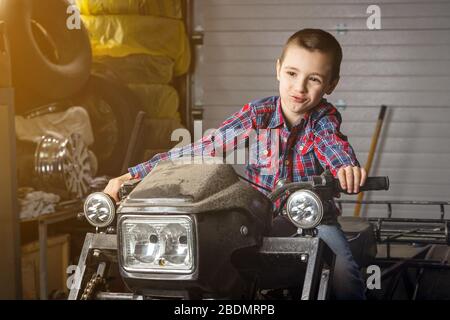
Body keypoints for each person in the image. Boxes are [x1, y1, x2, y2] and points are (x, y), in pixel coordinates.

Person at [104, 29, 367, 299]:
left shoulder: (323, 119)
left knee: (343, 274)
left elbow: (332, 144)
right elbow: (204, 148)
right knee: (214, 262)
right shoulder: (258, 114)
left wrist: (345, 168)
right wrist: (134, 176)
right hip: (259, 220)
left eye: (313, 79)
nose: (299, 87)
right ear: (278, 69)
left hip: (314, 222)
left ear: (331, 85)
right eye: (292, 73)